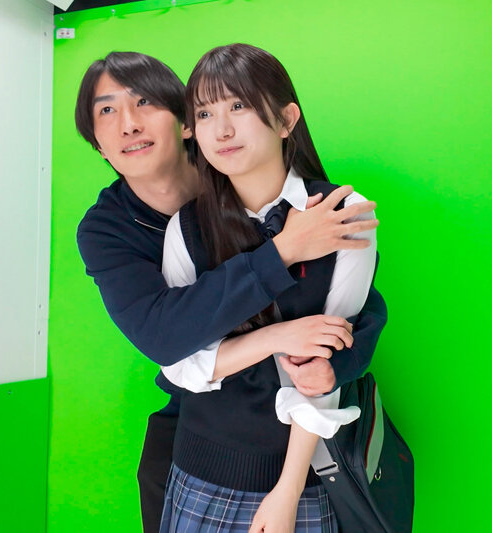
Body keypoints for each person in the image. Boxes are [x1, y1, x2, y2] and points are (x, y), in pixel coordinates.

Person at [74, 52, 387, 531]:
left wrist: (350, 345)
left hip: (298, 448)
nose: (129, 124)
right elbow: (167, 344)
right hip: (200, 426)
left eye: (143, 102)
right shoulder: (122, 229)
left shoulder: (324, 207)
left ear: (181, 124)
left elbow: (343, 323)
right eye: (107, 110)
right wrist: (284, 258)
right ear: (97, 144)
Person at [157, 43, 379, 533]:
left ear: (286, 120)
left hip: (303, 477)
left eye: (238, 105)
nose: (221, 129)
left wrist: (288, 490)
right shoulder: (186, 228)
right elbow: (180, 364)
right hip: (200, 468)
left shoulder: (343, 214)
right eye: (205, 113)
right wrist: (276, 338)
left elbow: (323, 365)